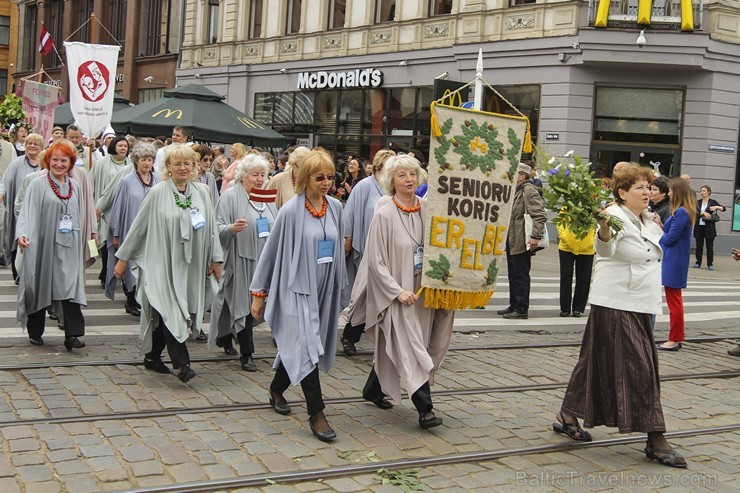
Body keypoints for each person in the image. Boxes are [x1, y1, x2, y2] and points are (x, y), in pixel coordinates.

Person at [554, 164, 687, 468]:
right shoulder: (612, 216)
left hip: (641, 302)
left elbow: (654, 253)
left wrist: (653, 223)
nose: (647, 191)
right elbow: (604, 248)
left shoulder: (650, 220)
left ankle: (567, 414)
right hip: (617, 301)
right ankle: (655, 437)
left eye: (649, 186)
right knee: (641, 366)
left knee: (592, 361)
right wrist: (602, 228)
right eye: (640, 187)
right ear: (622, 193)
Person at [250, 149, 346, 442]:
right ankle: (317, 413)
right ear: (305, 178)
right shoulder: (291, 210)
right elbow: (271, 252)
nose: (326, 182)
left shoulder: (336, 208)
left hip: (323, 290)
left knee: (302, 345)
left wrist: (340, 287)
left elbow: (338, 249)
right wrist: (259, 292)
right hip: (296, 290)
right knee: (305, 347)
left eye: (330, 177)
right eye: (319, 177)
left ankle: (277, 387)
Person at [113, 144, 223, 383]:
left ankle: (152, 357)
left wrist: (216, 259)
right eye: (177, 163)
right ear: (168, 168)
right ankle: (182, 364)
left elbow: (212, 228)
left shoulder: (202, 192)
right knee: (170, 309)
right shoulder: (157, 192)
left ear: (194, 167)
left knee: (170, 312)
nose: (183, 168)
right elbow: (138, 228)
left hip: (190, 266)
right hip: (161, 264)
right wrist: (122, 260)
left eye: (187, 164)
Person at [360, 154, 455, 429]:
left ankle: (373, 388)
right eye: (402, 175)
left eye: (412, 174)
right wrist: (396, 291)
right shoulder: (385, 213)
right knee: (411, 348)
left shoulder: (428, 209)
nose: (409, 179)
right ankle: (425, 409)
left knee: (411, 345)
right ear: (392, 180)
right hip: (397, 295)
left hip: (422, 295)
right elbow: (375, 261)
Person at [16, 141, 87, 351]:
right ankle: (35, 331)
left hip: (69, 245)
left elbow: (80, 215)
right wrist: (23, 235)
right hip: (43, 244)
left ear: (70, 163)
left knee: (70, 286)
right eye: (55, 160)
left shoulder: (76, 187)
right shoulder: (37, 184)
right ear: (48, 161)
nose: (59, 164)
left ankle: (72, 334)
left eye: (63, 160)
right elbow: (27, 212)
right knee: (40, 285)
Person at [209, 154, 276, 371]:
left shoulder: (265, 196)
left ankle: (225, 337)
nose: (259, 179)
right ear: (242, 176)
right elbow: (216, 228)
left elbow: (275, 226)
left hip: (262, 261)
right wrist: (230, 229)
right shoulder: (229, 196)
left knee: (247, 305)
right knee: (243, 306)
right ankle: (247, 354)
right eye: (254, 175)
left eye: (262, 175)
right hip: (238, 260)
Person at [340, 149, 395, 355]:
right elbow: (350, 214)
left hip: (390, 251)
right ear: (380, 167)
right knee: (364, 295)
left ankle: (385, 339)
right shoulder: (364, 186)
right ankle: (350, 335)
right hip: (367, 247)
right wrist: (348, 240)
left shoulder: (394, 187)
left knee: (385, 297)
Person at [105, 142, 160, 317]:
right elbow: (118, 207)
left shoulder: (159, 180)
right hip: (131, 228)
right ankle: (131, 300)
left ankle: (147, 299)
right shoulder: (126, 181)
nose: (147, 163)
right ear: (136, 160)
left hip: (153, 231)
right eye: (143, 159)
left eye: (150, 159)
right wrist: (116, 233)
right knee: (131, 265)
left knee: (149, 266)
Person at [497, 162, 547, 319]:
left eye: (514, 173)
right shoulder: (516, 190)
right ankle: (514, 304)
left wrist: (535, 237)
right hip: (513, 239)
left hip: (523, 239)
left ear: (522, 176)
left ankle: (522, 308)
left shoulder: (528, 190)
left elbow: (540, 215)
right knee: (513, 273)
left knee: (521, 275)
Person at [657, 178, 696, 351]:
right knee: (674, 300)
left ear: (677, 192)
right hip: (673, 259)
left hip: (674, 260)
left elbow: (671, 238)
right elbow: (669, 231)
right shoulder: (679, 211)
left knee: (674, 301)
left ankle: (674, 339)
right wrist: (659, 223)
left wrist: (657, 238)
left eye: (671, 190)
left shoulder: (681, 212)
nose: (669, 193)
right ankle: (676, 337)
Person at [90, 135, 133, 288]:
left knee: (119, 241)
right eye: (120, 145)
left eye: (125, 146)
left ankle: (118, 272)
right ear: (113, 146)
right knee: (106, 242)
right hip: (104, 207)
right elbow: (91, 182)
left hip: (122, 207)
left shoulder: (131, 164)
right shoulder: (101, 163)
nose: (123, 148)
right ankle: (105, 271)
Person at [0, 133, 43, 282]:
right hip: (19, 211)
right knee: (17, 238)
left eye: (35, 144)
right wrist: (1, 192)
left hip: (40, 212)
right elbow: (4, 181)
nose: (32, 146)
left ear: (41, 147)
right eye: (29, 143)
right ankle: (18, 273)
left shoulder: (46, 163)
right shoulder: (17, 163)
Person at [556, 217, 595, 318]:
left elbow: (598, 225)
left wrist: (592, 240)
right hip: (566, 246)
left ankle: (578, 308)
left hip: (586, 247)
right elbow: (560, 221)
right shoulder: (567, 206)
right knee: (566, 277)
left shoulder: (593, 209)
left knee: (584, 279)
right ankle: (565, 308)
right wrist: (563, 236)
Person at [693, 185, 725, 270]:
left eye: (704, 191)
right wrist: (702, 213)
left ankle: (710, 264)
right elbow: (694, 211)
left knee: (709, 247)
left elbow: (723, 208)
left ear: (708, 192)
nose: (702, 193)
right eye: (701, 191)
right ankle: (698, 262)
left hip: (709, 227)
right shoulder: (697, 202)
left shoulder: (713, 202)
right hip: (699, 226)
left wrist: (717, 207)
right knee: (699, 246)